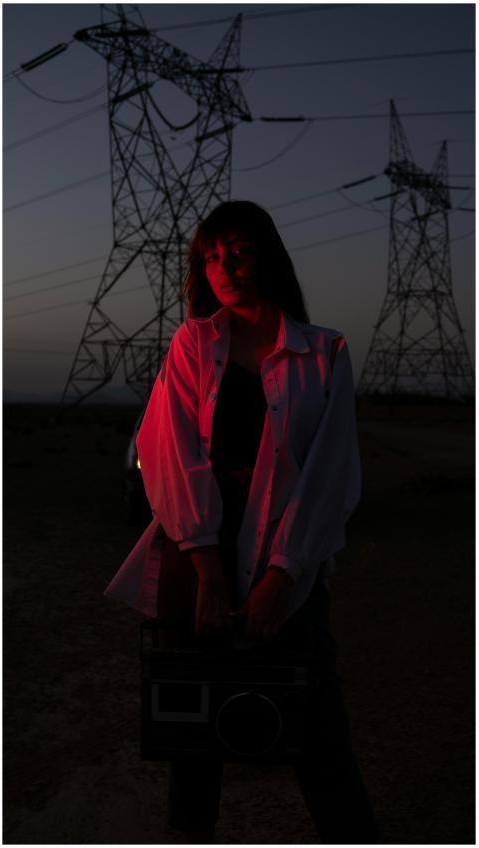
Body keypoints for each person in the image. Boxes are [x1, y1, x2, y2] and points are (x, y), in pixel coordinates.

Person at [104, 200, 378, 844]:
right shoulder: (194, 343)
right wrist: (205, 569)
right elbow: (169, 454)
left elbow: (329, 474)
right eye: (211, 255)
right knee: (194, 741)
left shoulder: (323, 351)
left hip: (291, 564)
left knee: (317, 736)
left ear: (267, 256)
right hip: (197, 561)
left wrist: (282, 575)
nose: (224, 265)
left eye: (239, 250)